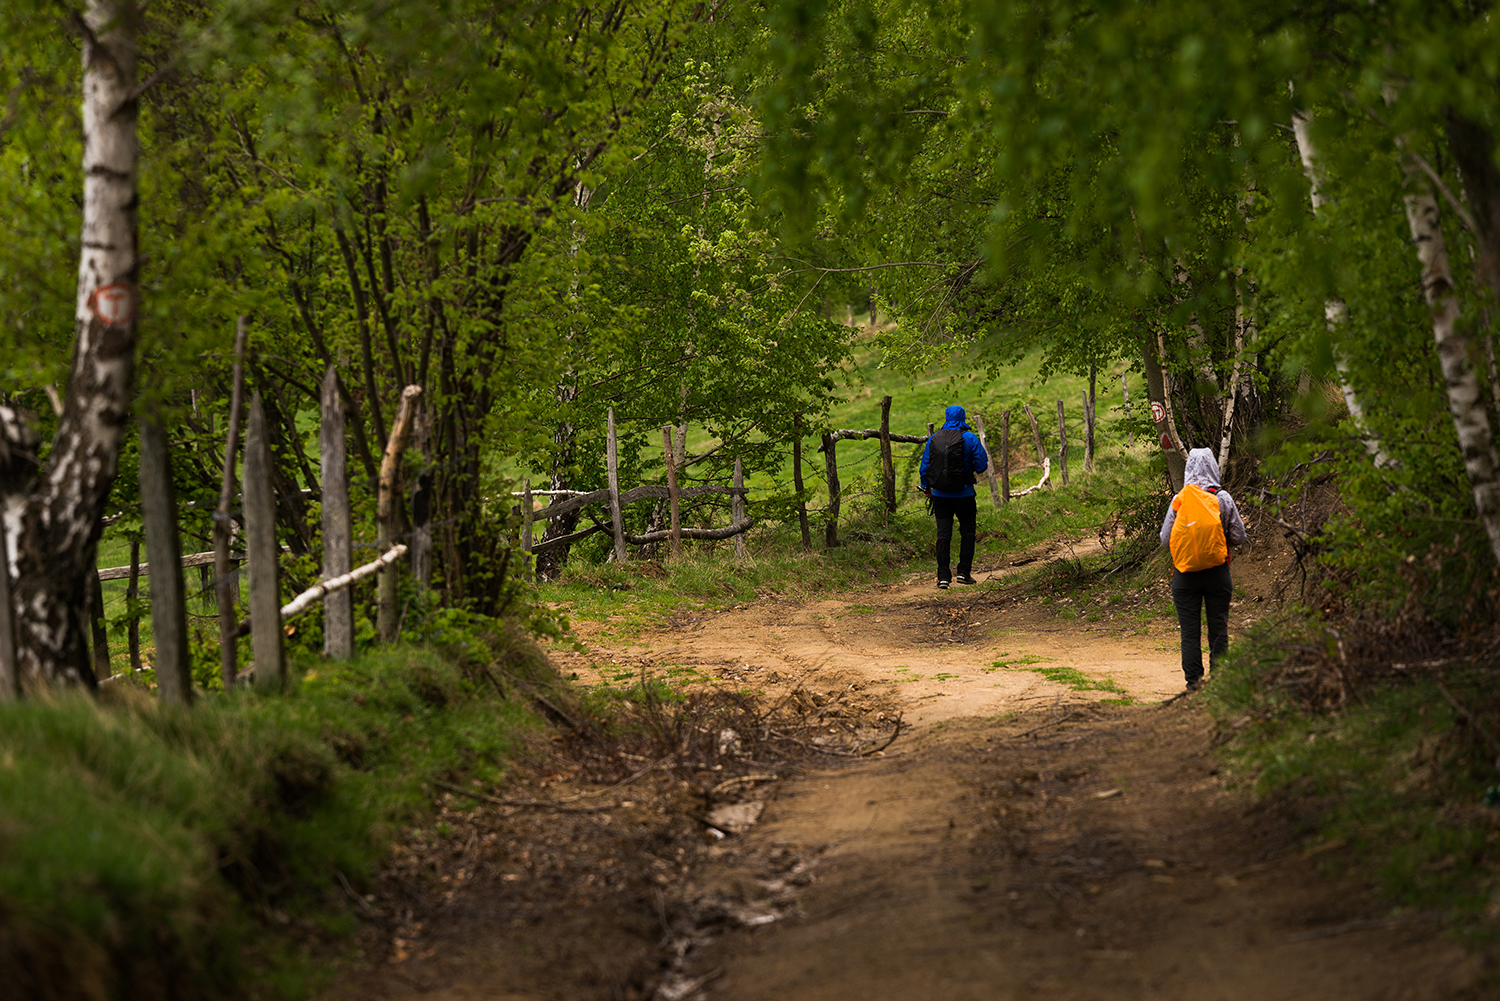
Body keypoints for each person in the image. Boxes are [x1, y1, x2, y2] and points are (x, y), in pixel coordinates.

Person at [1159, 448, 1249, 690]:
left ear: (1188, 469)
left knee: (1190, 633)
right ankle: (1219, 683)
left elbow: (1165, 539)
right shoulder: (1223, 498)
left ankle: (1194, 684)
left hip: (1184, 576)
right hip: (1217, 574)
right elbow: (1239, 536)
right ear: (1213, 467)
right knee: (1218, 630)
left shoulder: (1179, 499)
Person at [920, 405, 989, 589]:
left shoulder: (934, 438)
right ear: (963, 417)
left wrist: (926, 487)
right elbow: (982, 466)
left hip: (940, 496)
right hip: (964, 494)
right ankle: (963, 573)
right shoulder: (970, 438)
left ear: (946, 417)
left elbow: (925, 466)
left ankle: (943, 577)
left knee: (943, 534)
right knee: (967, 532)